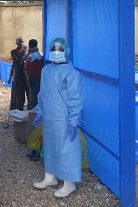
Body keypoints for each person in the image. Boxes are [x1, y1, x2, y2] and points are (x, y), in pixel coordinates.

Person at [32, 37, 83, 198]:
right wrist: (40, 111)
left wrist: (74, 121)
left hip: (63, 118)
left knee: (66, 149)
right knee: (50, 147)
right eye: (53, 49)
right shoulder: (46, 70)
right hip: (49, 116)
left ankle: (70, 183)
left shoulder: (72, 73)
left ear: (66, 52)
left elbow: (76, 99)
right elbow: (43, 93)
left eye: (60, 50)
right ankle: (50, 176)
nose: (56, 52)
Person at [7, 37, 28, 111]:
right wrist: (10, 76)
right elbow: (17, 63)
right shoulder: (14, 52)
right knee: (18, 95)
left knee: (26, 94)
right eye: (19, 42)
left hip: (25, 76)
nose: (21, 44)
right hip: (17, 76)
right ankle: (17, 109)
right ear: (16, 43)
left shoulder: (25, 52)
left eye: (22, 42)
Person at [25, 39, 43, 110]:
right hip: (39, 77)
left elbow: (30, 69)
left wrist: (28, 77)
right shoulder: (40, 54)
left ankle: (33, 107)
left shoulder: (32, 56)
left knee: (33, 92)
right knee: (37, 91)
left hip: (33, 77)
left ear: (29, 45)